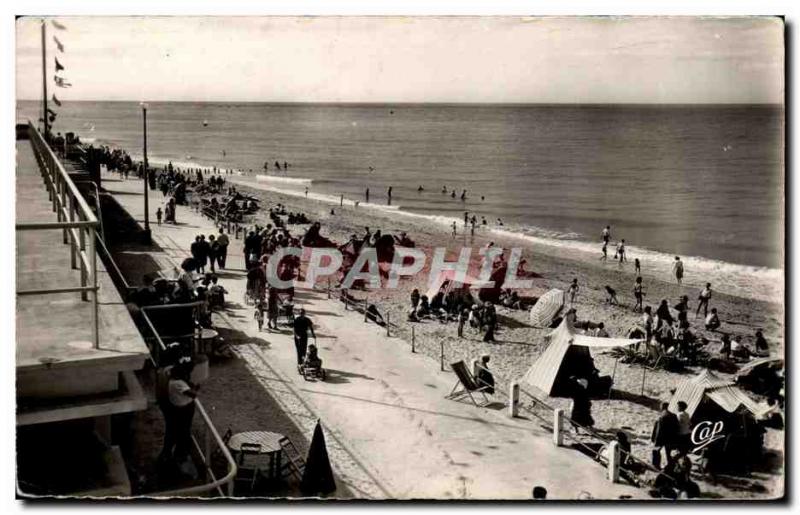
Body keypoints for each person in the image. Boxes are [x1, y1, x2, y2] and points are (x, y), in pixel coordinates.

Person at [160, 358, 198, 467]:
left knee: (175, 432)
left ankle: (172, 454)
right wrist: (196, 386)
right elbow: (193, 394)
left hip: (177, 408)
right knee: (182, 432)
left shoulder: (171, 376)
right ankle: (178, 457)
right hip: (182, 410)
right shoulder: (177, 383)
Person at [650, 402, 678, 469]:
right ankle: (671, 467)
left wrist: (655, 439)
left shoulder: (661, 416)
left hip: (662, 437)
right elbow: (676, 427)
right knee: (668, 454)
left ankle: (656, 466)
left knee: (655, 451)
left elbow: (658, 430)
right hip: (671, 437)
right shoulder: (673, 415)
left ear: (662, 407)